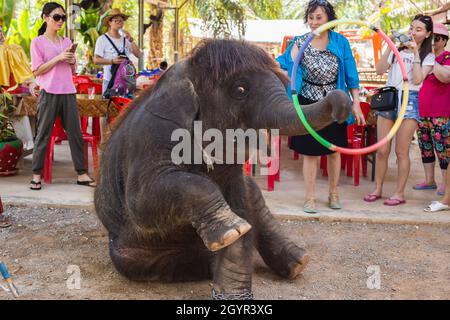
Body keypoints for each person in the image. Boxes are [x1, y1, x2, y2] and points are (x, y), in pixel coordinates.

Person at [277, 0, 365, 213]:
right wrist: (293, 56)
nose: (315, 22)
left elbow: (352, 75)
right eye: (311, 17)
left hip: (335, 101)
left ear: (329, 20)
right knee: (310, 153)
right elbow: (284, 67)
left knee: (334, 151)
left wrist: (356, 104)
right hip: (308, 102)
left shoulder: (340, 42)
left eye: (319, 17)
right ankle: (310, 198)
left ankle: (333, 193)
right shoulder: (299, 41)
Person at [364, 14, 434, 205]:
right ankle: (377, 188)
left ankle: (399, 193)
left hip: (410, 100)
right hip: (389, 97)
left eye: (418, 29)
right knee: (382, 150)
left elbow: (418, 80)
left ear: (427, 34)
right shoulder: (397, 50)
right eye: (411, 27)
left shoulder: (428, 56)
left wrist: (415, 53)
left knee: (402, 151)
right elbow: (379, 70)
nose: (412, 32)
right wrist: (390, 44)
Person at [30, 2, 95, 190]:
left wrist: (73, 61)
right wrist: (58, 58)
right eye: (56, 17)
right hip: (48, 93)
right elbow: (37, 70)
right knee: (43, 133)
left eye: (63, 18)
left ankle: (81, 174)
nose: (60, 21)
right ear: (45, 18)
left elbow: (72, 70)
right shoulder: (38, 42)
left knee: (75, 134)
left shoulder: (66, 42)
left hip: (68, 91)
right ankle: (36, 175)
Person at [415, 23, 450, 197]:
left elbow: (446, 77)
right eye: (432, 39)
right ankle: (429, 180)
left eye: (437, 39)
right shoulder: (421, 57)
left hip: (441, 112)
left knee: (443, 149)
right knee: (425, 146)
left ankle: (446, 183)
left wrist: (430, 61)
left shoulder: (447, 58)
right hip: (421, 111)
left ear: (444, 41)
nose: (434, 42)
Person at [93, 8, 143, 95]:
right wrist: (112, 61)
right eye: (116, 21)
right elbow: (96, 60)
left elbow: (139, 55)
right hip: (110, 81)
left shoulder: (126, 39)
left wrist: (131, 40)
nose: (120, 23)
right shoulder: (102, 39)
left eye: (121, 21)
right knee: (109, 107)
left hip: (126, 83)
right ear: (109, 22)